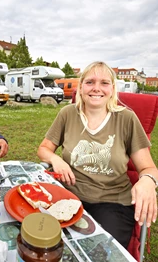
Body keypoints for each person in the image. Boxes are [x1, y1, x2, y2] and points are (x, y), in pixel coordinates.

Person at [37, 61, 158, 248]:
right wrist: (55, 159)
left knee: (99, 250)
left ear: (112, 88)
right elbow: (43, 149)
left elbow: (148, 167)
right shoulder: (68, 114)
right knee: (42, 241)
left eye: (104, 83)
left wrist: (148, 181)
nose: (96, 88)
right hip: (67, 195)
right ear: (81, 87)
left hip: (112, 202)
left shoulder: (126, 118)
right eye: (90, 82)